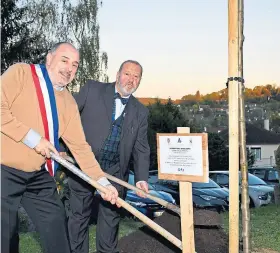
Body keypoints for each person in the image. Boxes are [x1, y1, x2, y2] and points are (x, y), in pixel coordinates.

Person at [1, 42, 119, 253]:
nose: (69, 68)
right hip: (3, 170)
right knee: (5, 238)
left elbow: (81, 148)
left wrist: (103, 183)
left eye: (75, 65)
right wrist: (33, 139)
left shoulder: (69, 103)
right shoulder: (21, 73)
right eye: (64, 60)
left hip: (37, 175)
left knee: (57, 231)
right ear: (49, 58)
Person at [67, 60, 150, 253]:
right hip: (84, 165)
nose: (131, 79)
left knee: (110, 220)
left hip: (115, 171)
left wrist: (142, 179)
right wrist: (63, 147)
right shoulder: (92, 89)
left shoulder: (141, 112)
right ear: (118, 74)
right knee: (79, 216)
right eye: (127, 74)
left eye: (136, 76)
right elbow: (67, 118)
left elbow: (141, 148)